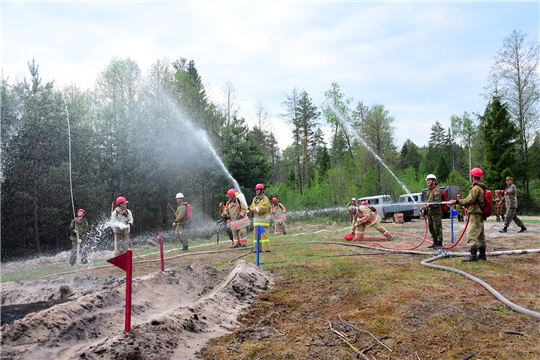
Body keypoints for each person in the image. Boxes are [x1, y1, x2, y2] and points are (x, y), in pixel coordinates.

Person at [449, 168, 487, 262]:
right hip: (479, 213)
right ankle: (482, 254)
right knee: (480, 235)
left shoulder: (475, 188)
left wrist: (457, 201)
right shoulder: (481, 187)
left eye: (471, 175)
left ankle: (473, 256)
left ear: (473, 176)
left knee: (472, 233)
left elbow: (470, 200)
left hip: (475, 213)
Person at [423, 174, 443, 250]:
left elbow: (437, 201)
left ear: (434, 181)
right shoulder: (429, 190)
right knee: (431, 228)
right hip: (430, 213)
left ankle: (439, 243)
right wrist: (424, 210)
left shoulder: (436, 190)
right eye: (427, 180)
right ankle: (435, 242)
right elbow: (427, 202)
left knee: (437, 228)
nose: (428, 181)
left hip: (436, 213)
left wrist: (429, 205)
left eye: (429, 180)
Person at [250, 183, 272, 252]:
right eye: (256, 190)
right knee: (256, 237)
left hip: (263, 222)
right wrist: (250, 210)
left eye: (258, 190)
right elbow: (252, 206)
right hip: (256, 222)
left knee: (264, 236)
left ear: (262, 190)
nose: (256, 191)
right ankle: (257, 249)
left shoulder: (265, 199)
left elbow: (264, 207)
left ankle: (266, 249)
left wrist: (255, 209)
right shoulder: (255, 199)